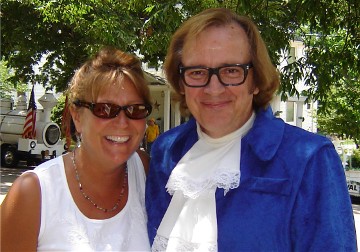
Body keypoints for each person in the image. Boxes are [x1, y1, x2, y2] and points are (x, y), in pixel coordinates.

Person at [145, 8, 357, 251]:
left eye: (232, 71)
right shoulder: (166, 151)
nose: (213, 88)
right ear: (181, 83)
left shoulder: (309, 158)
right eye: (197, 72)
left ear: (255, 81)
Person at [1, 47, 153, 251]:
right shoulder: (34, 193)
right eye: (105, 109)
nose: (122, 122)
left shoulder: (145, 171)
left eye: (135, 109)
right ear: (77, 116)